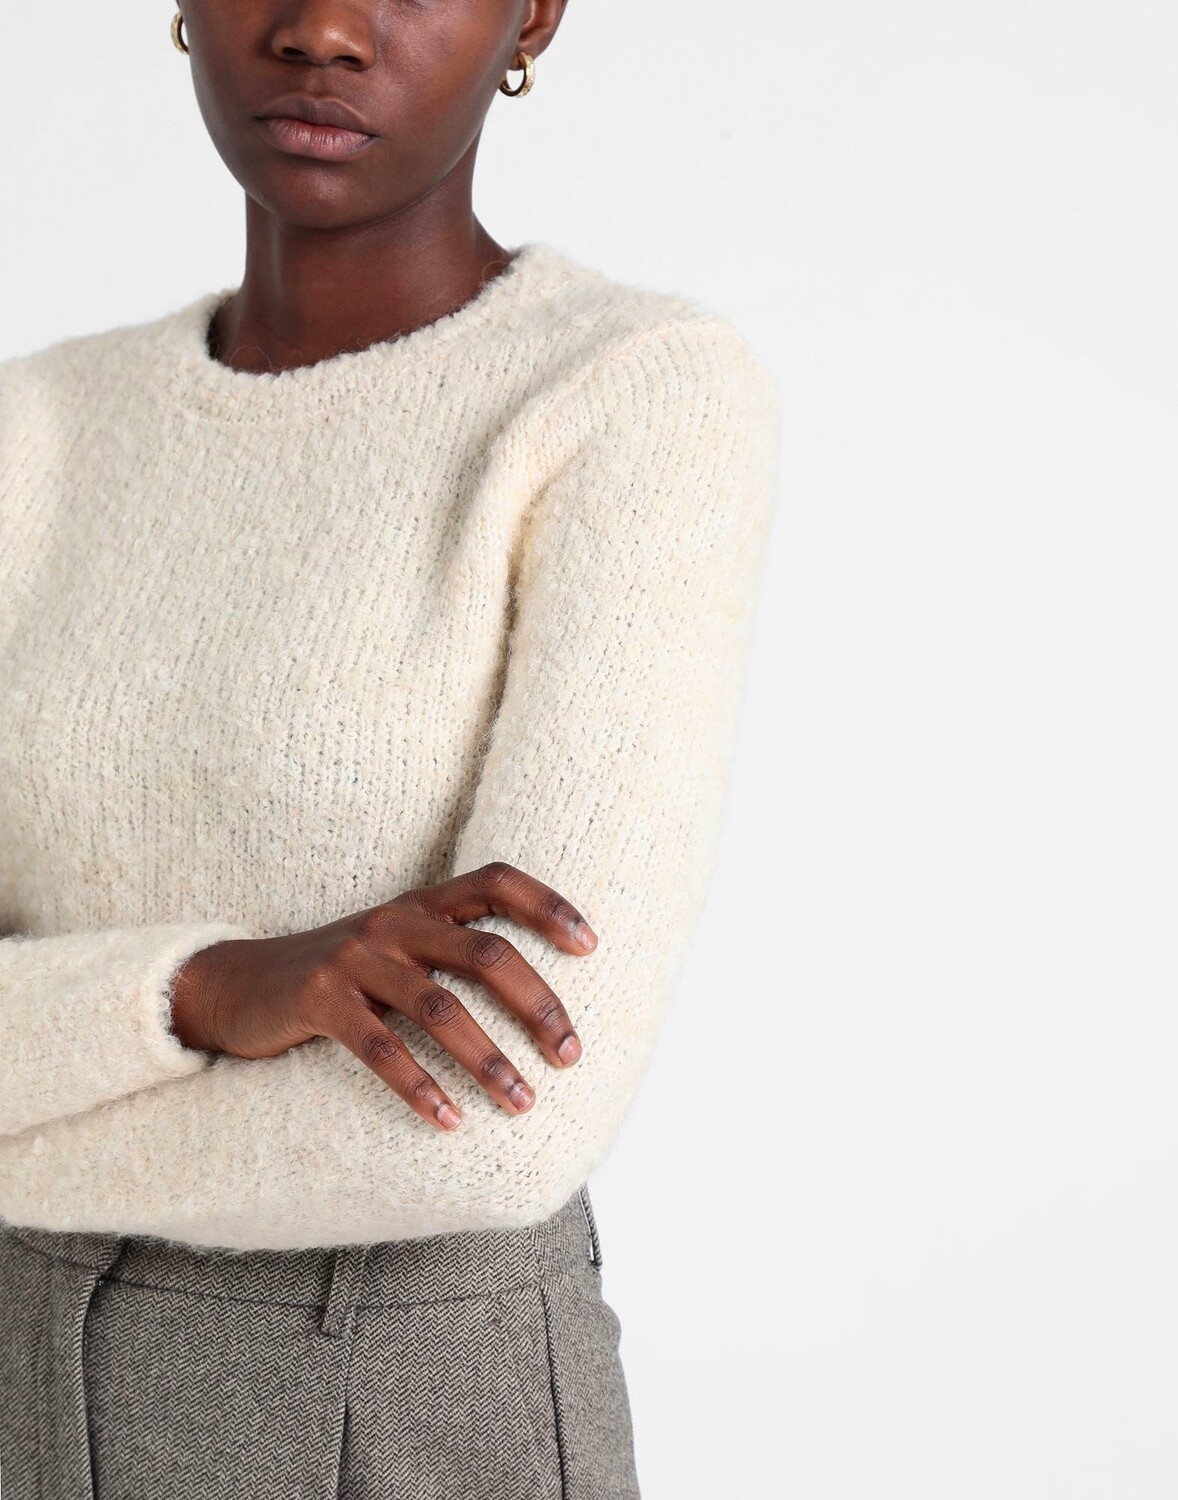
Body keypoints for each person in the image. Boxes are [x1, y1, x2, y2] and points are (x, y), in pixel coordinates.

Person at [0, 2, 781, 1496]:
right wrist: (200, 991)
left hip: (399, 1398)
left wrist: (44, 1072)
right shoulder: (30, 429)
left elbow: (492, 1132)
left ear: (530, 14)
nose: (323, 29)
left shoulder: (625, 393)